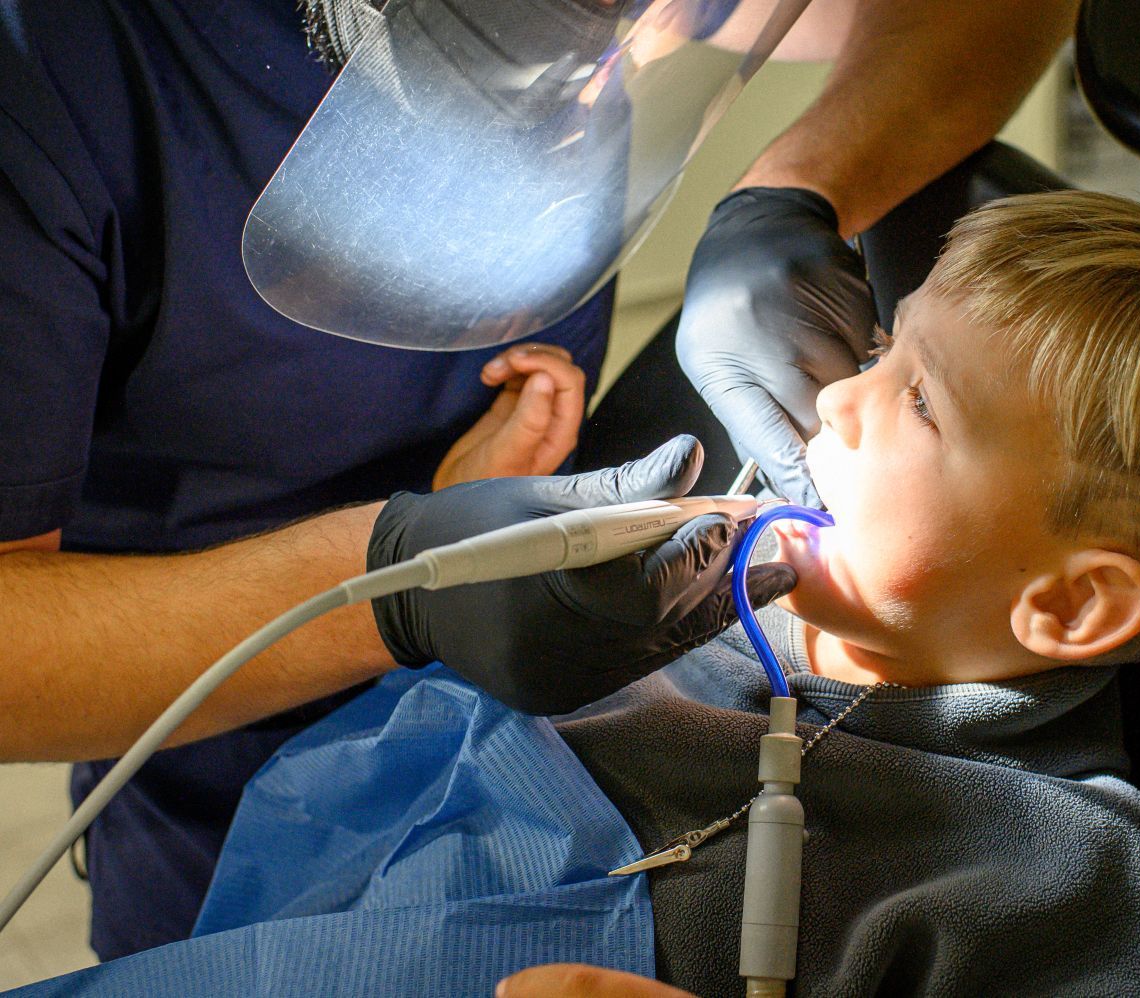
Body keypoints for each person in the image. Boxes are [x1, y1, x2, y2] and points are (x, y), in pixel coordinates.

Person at [46, 190, 1140, 996]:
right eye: (888, 341)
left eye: (917, 399)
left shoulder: (1058, 878)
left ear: (1071, 609)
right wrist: (460, 528)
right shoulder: (678, 604)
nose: (834, 392)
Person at [0, 0, 1077, 962]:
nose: (842, 398)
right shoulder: (57, 69)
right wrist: (395, 579)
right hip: (220, 787)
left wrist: (795, 190)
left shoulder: (1040, 873)